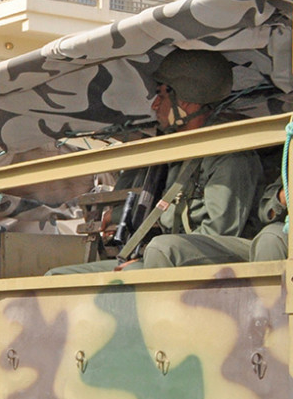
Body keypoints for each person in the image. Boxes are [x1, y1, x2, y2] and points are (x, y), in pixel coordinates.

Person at [48, 50, 262, 274]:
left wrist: (152, 254)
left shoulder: (230, 154)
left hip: (212, 262)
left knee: (160, 251)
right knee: (57, 276)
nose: (155, 106)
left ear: (186, 100)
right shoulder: (180, 155)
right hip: (168, 254)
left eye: (161, 95)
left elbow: (219, 233)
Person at [250, 178, 288, 261]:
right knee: (214, 245)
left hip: (273, 240)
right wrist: (283, 197)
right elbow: (264, 213)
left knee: (270, 239)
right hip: (273, 241)